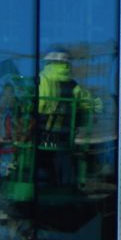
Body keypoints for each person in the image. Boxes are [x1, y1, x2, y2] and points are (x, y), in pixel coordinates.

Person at [38, 51, 102, 185]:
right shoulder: (74, 86)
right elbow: (95, 105)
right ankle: (66, 187)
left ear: (48, 63)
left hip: (42, 135)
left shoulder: (40, 80)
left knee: (41, 165)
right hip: (64, 136)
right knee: (65, 166)